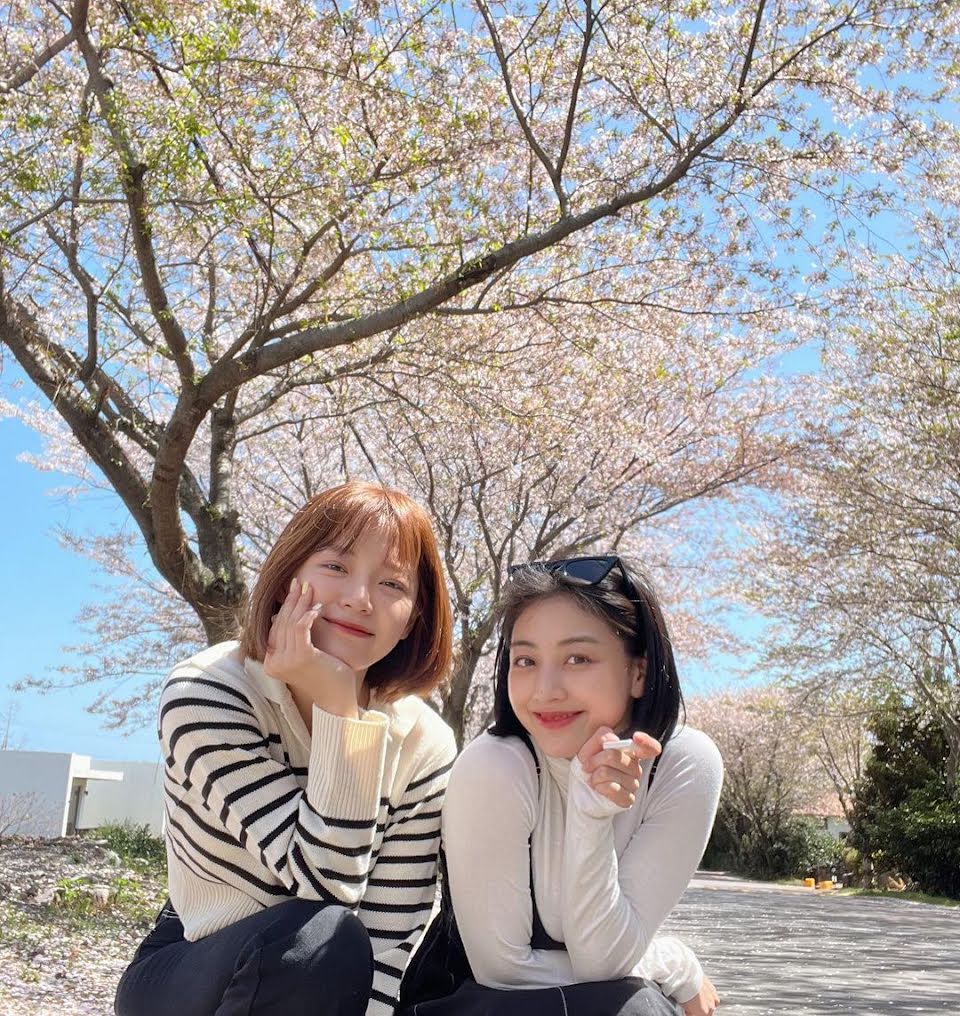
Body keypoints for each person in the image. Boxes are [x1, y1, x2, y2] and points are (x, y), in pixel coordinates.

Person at [115, 481, 457, 1016]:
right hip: (194, 958)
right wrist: (340, 709)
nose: (359, 598)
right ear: (285, 581)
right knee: (316, 939)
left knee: (331, 944)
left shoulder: (424, 742)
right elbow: (326, 884)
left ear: (414, 616)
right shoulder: (210, 692)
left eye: (392, 583)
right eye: (336, 566)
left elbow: (388, 942)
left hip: (323, 974)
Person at [406, 555, 723, 1016]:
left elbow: (604, 959)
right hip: (474, 1001)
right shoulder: (494, 765)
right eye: (526, 660)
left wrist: (590, 816)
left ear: (638, 672)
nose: (545, 690)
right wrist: (674, 964)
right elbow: (503, 972)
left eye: (578, 659)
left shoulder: (682, 764)